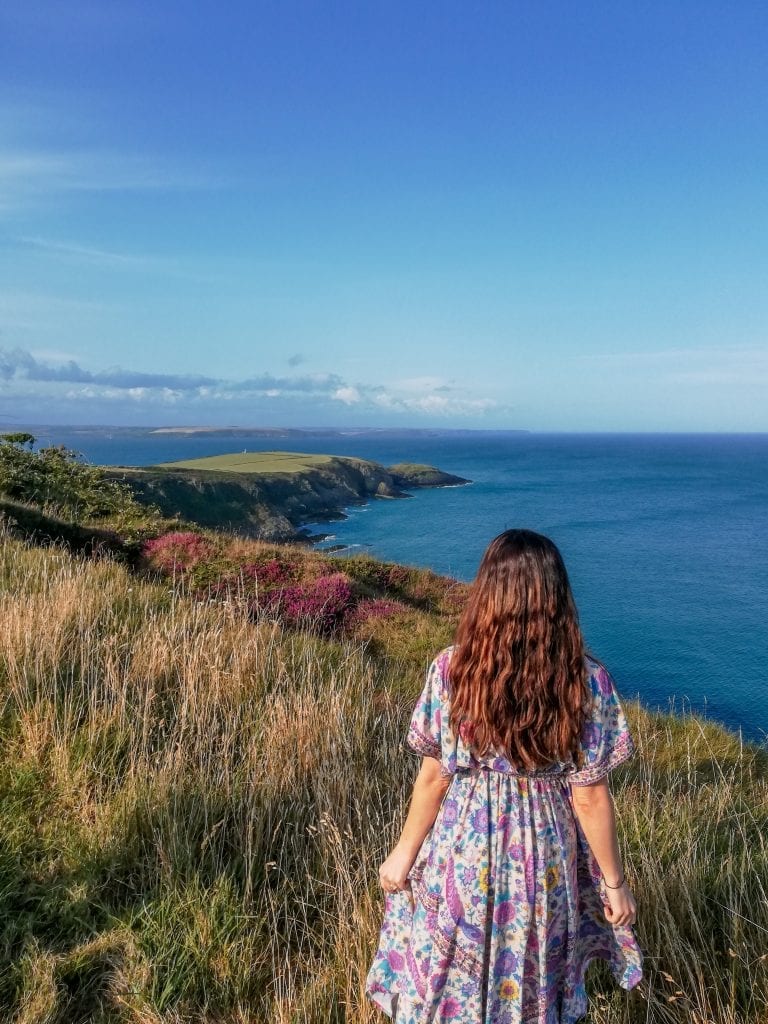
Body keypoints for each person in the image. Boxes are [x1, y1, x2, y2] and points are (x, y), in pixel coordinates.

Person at [365, 529, 643, 1023]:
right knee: (531, 971)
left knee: (451, 973)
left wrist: (403, 854)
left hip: (462, 845)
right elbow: (589, 797)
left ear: (487, 593)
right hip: (543, 854)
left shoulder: (452, 670)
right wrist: (614, 884)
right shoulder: (586, 681)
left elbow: (434, 776)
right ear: (556, 596)